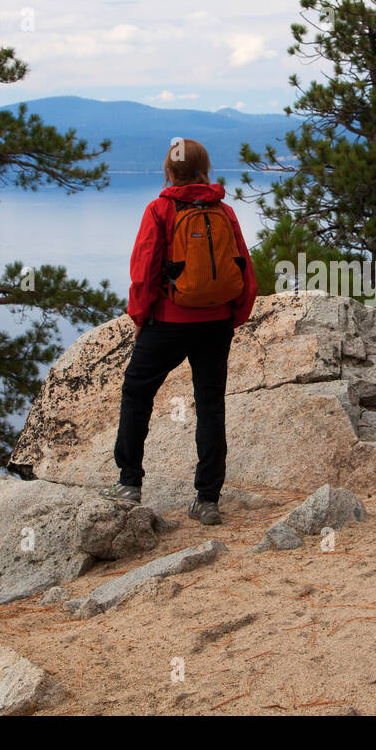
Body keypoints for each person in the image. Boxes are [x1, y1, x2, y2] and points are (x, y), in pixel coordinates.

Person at [110, 139, 258, 526]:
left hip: (168, 323)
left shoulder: (160, 209)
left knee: (136, 393)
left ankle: (129, 483)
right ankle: (207, 500)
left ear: (169, 172)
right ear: (204, 170)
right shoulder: (223, 211)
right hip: (215, 324)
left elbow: (143, 270)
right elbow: (245, 269)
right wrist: (233, 315)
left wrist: (140, 316)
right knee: (210, 406)